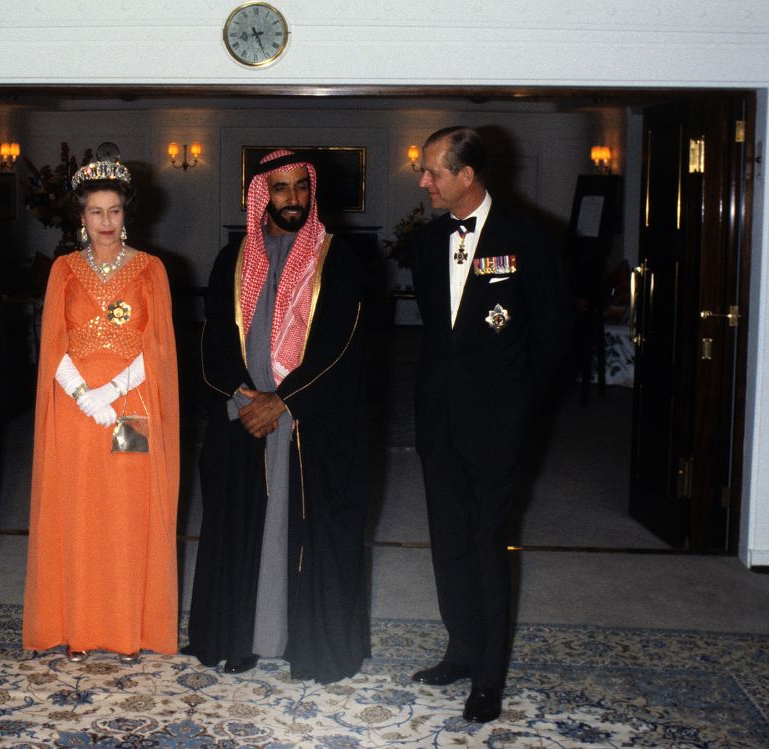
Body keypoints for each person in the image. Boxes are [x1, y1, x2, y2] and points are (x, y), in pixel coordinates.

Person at [183, 150, 370, 683]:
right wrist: (243, 398)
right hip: (245, 420)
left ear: (312, 193)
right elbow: (214, 340)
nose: (292, 199)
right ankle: (240, 636)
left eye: (300, 188)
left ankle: (307, 644)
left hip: (312, 424)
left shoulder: (339, 260)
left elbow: (341, 347)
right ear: (262, 195)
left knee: (306, 530)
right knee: (242, 527)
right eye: (280, 188)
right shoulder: (232, 260)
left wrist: (285, 400)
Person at [408, 127, 571, 722]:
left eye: (433, 171)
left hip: (499, 426)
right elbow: (438, 338)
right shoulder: (427, 244)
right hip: (439, 421)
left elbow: (553, 340)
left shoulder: (528, 239)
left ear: (466, 175)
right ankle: (460, 649)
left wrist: (523, 410)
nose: (424, 181)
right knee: (447, 540)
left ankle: (489, 677)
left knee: (486, 542)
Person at [22, 160, 179, 663]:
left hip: (130, 407)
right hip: (75, 410)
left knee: (126, 514)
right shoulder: (63, 269)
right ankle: (78, 628)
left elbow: (156, 347)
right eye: (95, 212)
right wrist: (81, 393)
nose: (105, 221)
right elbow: (51, 343)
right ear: (81, 217)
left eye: (113, 210)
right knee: (79, 513)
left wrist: (109, 392)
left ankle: (126, 628)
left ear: (126, 213)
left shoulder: (151, 269)